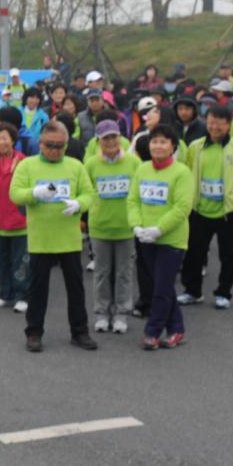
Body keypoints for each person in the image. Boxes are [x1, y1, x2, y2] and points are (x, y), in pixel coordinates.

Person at [9, 120, 97, 352]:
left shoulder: (75, 166)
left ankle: (80, 331)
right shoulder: (27, 165)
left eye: (60, 146)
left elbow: (89, 194)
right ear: (40, 143)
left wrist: (79, 204)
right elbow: (15, 194)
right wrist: (34, 193)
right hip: (41, 239)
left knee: (75, 289)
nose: (55, 150)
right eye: (50, 145)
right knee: (38, 289)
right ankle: (34, 332)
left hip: (69, 239)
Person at [177, 105, 233, 309]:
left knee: (228, 255)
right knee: (194, 253)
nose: (214, 127)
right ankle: (192, 291)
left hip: (227, 212)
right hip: (199, 210)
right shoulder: (196, 146)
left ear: (228, 125)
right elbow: (187, 172)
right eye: (211, 122)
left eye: (220, 123)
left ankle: (223, 293)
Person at [129, 123, 195, 350]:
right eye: (154, 141)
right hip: (145, 238)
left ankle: (153, 332)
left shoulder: (182, 172)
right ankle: (177, 329)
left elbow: (182, 207)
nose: (158, 146)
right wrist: (136, 226)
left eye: (163, 142)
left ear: (173, 146)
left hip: (171, 239)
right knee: (162, 285)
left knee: (160, 289)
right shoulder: (142, 169)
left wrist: (159, 229)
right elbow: (133, 200)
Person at [84, 120, 137, 334]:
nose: (111, 142)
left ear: (120, 138)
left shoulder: (134, 163)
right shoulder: (91, 165)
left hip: (126, 227)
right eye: (105, 138)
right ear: (98, 141)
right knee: (102, 273)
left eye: (114, 137)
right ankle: (102, 313)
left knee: (124, 273)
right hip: (100, 228)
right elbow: (85, 193)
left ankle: (122, 313)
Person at [0, 123, 29, 311]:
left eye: (4, 138)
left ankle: (22, 296)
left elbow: (22, 188)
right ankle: (5, 294)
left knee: (20, 261)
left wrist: (13, 172)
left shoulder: (23, 161)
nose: (1, 142)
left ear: (13, 140)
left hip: (19, 220)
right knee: (1, 260)